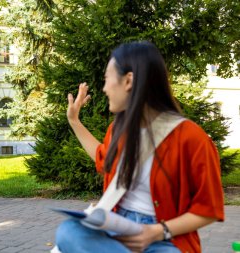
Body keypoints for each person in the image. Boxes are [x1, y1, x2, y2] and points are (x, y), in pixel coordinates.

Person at [52, 41, 224, 253]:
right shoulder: (118, 130)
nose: (104, 88)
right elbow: (102, 157)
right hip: (116, 231)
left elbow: (208, 210)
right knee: (69, 231)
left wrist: (156, 231)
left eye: (107, 79)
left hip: (165, 239)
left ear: (128, 81)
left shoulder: (191, 137)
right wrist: (74, 121)